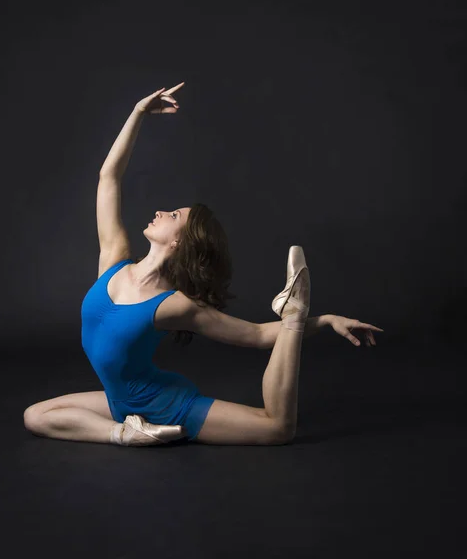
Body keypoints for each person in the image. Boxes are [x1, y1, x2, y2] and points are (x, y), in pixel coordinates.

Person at [23, 83, 383, 447]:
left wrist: (321, 321)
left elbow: (256, 335)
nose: (161, 211)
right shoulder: (114, 261)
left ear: (179, 241)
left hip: (165, 406)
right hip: (121, 404)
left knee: (276, 429)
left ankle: (293, 313)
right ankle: (127, 434)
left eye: (174, 214)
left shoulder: (174, 305)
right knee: (35, 416)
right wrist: (137, 114)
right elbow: (108, 178)